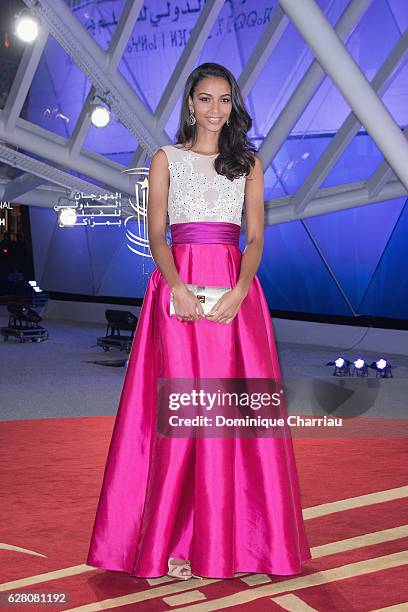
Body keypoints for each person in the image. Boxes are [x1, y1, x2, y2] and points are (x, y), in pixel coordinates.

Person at [86, 62, 312, 580]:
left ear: (233, 105)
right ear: (190, 103)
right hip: (178, 295)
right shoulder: (166, 160)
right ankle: (168, 542)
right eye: (206, 99)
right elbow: (158, 235)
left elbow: (254, 240)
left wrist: (238, 291)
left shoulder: (248, 163)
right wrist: (177, 288)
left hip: (235, 295)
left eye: (225, 100)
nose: (216, 109)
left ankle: (241, 544)